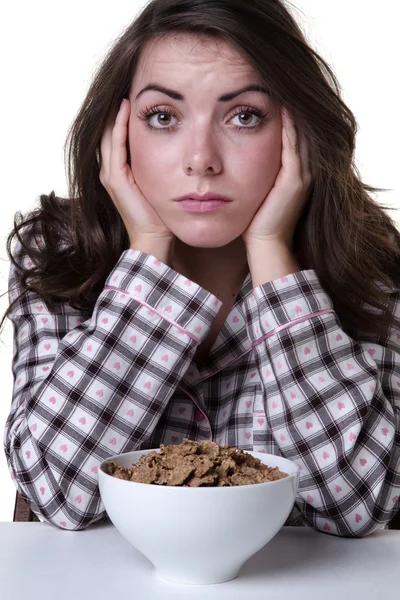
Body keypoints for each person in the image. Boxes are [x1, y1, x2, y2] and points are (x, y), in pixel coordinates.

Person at [2, 0, 400, 535]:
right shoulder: (59, 254)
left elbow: (361, 505)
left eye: (244, 116)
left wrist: (271, 252)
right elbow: (56, 489)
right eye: (163, 117)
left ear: (298, 132)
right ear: (116, 133)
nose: (202, 159)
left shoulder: (369, 263)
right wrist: (147, 250)